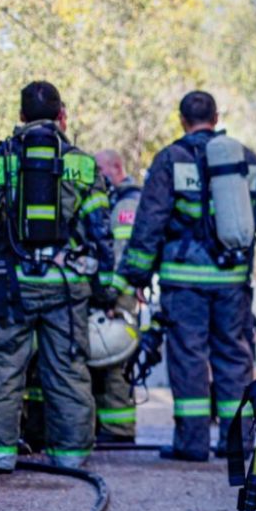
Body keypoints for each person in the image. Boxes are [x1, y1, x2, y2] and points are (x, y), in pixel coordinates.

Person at [116, 91, 256, 461]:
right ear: (216, 117)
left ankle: (192, 443)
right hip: (232, 279)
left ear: (182, 119)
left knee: (188, 357)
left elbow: (149, 221)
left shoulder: (171, 159)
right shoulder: (244, 158)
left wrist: (136, 274)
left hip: (183, 281)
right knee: (234, 355)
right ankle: (238, 442)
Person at [0, 81, 114, 472]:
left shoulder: (0, 161)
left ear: (21, 116)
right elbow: (100, 232)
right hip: (66, 285)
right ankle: (70, 456)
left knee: (4, 365)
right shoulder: (83, 163)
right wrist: (104, 287)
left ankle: (0, 453)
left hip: (11, 285)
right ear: (62, 116)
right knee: (67, 367)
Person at [92, 149, 142, 442]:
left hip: (119, 292)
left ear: (115, 166)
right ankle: (108, 425)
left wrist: (111, 296)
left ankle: (119, 429)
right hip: (111, 288)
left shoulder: (128, 202)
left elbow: (123, 253)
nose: (97, 176)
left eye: (100, 169)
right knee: (103, 354)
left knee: (115, 356)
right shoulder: (115, 198)